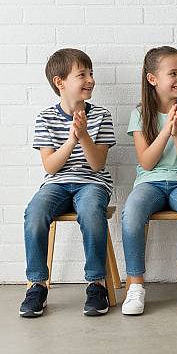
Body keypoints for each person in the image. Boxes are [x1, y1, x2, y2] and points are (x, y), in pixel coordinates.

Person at [20, 48, 116, 317]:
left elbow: (97, 164)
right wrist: (72, 139)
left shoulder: (101, 116)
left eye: (91, 73)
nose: (90, 79)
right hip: (57, 183)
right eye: (82, 74)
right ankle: (37, 285)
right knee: (35, 213)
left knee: (91, 211)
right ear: (59, 82)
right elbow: (50, 166)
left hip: (92, 182)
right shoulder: (45, 118)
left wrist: (84, 135)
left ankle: (96, 284)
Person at [121, 46, 177, 315]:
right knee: (131, 214)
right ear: (152, 79)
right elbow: (146, 162)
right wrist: (166, 130)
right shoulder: (140, 114)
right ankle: (135, 286)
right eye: (173, 73)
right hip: (150, 182)